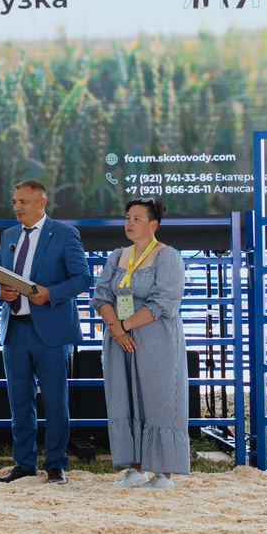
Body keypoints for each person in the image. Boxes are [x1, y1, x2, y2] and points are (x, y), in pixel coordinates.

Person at [0, 180, 95, 484]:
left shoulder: (64, 234)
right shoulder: (8, 235)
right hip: (14, 330)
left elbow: (82, 279)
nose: (17, 208)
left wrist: (50, 293)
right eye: (14, 202)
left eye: (23, 202)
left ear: (41, 203)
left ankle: (56, 465)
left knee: (55, 401)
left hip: (50, 331)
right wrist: (1, 291)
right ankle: (23, 463)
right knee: (19, 402)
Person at [99, 199, 189, 488]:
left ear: (153, 225)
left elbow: (164, 301)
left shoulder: (168, 256)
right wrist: (116, 329)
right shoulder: (117, 256)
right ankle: (134, 469)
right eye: (127, 217)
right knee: (122, 400)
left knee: (159, 400)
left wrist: (124, 326)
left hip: (156, 340)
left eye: (137, 218)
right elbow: (101, 296)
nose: (129, 223)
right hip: (118, 341)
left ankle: (164, 474)